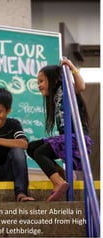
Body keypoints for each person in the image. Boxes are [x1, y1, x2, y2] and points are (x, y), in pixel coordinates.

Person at [27, 59, 93, 201]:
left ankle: (58, 182)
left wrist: (71, 66)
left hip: (76, 138)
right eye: (38, 82)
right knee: (31, 147)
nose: (39, 85)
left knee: (40, 152)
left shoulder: (65, 89)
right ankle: (63, 175)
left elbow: (81, 87)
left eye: (42, 81)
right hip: (67, 137)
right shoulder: (55, 97)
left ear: (54, 79)